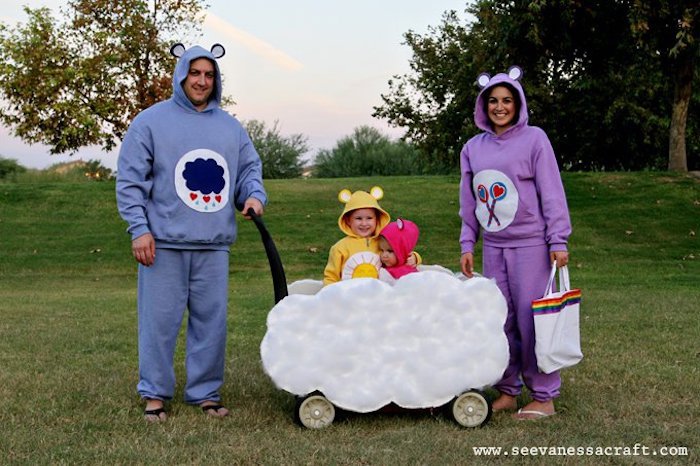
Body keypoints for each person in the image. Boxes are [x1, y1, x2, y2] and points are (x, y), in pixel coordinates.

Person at [116, 43, 267, 422]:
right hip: (162, 244)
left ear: (216, 80)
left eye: (209, 75)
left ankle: (205, 393)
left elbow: (249, 169)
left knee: (211, 324)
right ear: (181, 74)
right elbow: (131, 180)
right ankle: (155, 395)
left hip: (213, 246)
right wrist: (139, 229)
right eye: (195, 73)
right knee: (159, 324)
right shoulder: (150, 122)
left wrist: (253, 196)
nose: (202, 81)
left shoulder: (230, 127)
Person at [458, 66, 571, 420]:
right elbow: (469, 200)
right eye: (493, 101)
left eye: (507, 100)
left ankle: (543, 394)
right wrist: (467, 242)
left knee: (532, 319)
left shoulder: (535, 139)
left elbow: (550, 190)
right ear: (483, 106)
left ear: (518, 103)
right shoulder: (473, 148)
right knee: (499, 319)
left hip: (531, 246)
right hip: (494, 247)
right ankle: (508, 388)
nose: (500, 107)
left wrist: (558, 238)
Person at [323, 187, 391, 285]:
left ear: (377, 219)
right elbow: (331, 277)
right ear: (348, 221)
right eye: (358, 218)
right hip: (349, 296)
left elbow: (401, 254)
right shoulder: (340, 248)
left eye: (369, 218)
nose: (364, 223)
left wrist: (414, 257)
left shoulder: (384, 242)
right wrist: (330, 295)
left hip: (378, 295)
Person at [377, 218, 420, 283]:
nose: (384, 255)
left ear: (403, 251)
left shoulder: (406, 273)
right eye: (382, 250)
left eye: (390, 251)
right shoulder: (382, 266)